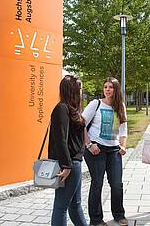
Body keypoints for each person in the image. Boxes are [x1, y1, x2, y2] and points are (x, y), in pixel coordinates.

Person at [83, 77, 128, 226]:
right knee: (97, 183)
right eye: (105, 87)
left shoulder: (120, 106)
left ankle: (119, 215)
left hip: (114, 149)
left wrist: (123, 146)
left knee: (117, 184)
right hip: (97, 149)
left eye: (111, 87)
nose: (107, 90)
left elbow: (123, 130)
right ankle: (96, 220)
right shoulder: (95, 104)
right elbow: (80, 125)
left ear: (116, 90)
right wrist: (89, 144)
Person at [48, 75, 88, 226]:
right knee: (61, 206)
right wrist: (66, 165)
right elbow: (60, 140)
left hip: (75, 163)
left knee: (75, 204)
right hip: (69, 164)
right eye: (80, 87)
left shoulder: (72, 109)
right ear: (73, 90)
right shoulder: (61, 109)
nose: (82, 90)